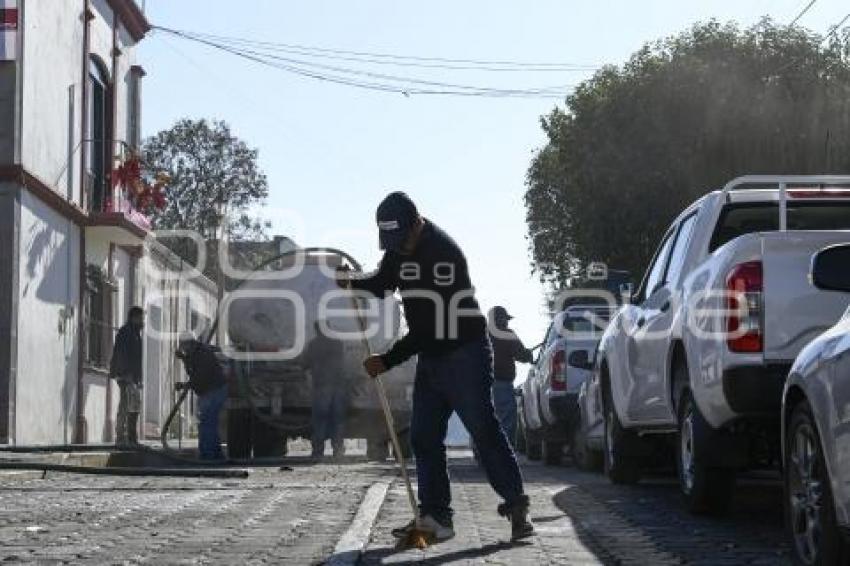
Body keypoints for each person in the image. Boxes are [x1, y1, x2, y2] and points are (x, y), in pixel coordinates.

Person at [340, 191, 534, 542]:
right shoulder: (398, 248)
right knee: (424, 436)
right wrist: (352, 282)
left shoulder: (443, 255)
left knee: (483, 429)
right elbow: (384, 283)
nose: (397, 248)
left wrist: (385, 360)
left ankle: (517, 507)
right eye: (391, 242)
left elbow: (427, 330)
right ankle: (436, 519)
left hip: (465, 353)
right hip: (433, 357)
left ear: (417, 224)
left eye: (402, 239)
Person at [175, 334, 228, 460]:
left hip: (214, 390)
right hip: (209, 391)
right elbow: (193, 371)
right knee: (208, 422)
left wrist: (185, 385)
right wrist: (184, 358)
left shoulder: (203, 354)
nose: (183, 349)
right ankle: (213, 454)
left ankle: (208, 455)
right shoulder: (194, 353)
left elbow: (200, 376)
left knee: (207, 423)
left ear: (190, 343)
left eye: (184, 346)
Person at [303, 321, 350, 460]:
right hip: (338, 386)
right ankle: (338, 450)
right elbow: (343, 364)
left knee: (320, 419)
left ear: (316, 330)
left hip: (321, 386)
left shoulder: (313, 345)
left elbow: (305, 364)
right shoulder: (338, 343)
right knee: (337, 419)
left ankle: (318, 451)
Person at [487, 306, 533, 448]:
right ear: (498, 320)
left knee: (484, 418)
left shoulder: (480, 335)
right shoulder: (507, 334)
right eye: (505, 319)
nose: (507, 322)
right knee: (506, 419)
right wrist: (528, 355)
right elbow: (521, 355)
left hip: (481, 385)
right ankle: (503, 453)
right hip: (502, 382)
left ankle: (483, 452)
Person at [110, 306, 144, 445]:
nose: (143, 321)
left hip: (133, 377)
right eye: (141, 318)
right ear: (134, 318)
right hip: (125, 376)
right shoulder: (126, 332)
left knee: (134, 406)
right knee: (125, 405)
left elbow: (137, 358)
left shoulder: (136, 333)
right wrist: (126, 374)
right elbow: (121, 354)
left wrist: (138, 378)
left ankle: (131, 438)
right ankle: (121, 437)